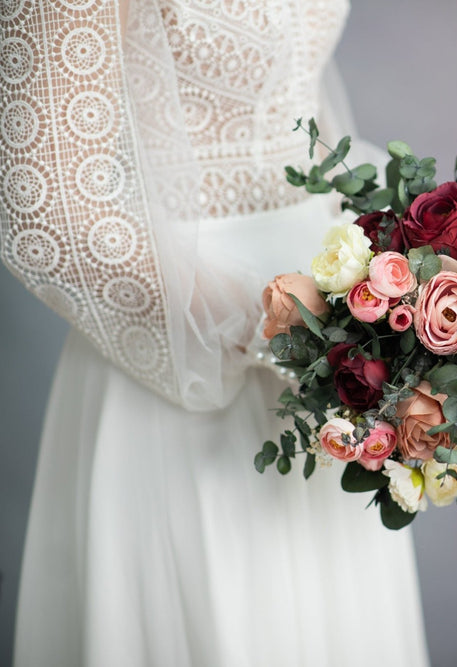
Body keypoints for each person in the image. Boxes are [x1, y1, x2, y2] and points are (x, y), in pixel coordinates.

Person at [1, 1, 429, 664]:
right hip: (171, 338)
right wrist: (285, 325)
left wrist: (405, 290)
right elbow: (40, 208)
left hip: (339, 368)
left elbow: (303, 117)